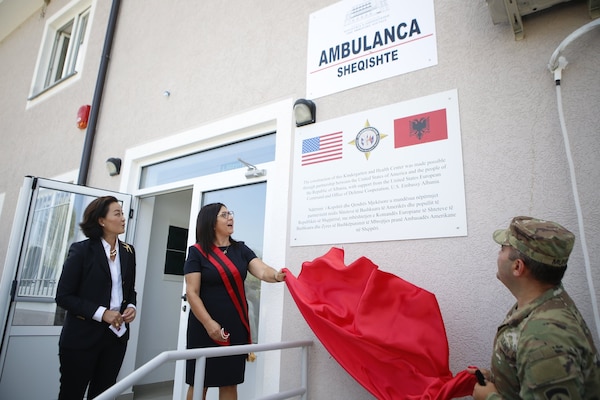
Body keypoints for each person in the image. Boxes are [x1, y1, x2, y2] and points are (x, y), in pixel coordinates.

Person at [471, 216, 600, 399]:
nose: (498, 255)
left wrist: (490, 398)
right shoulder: (543, 303)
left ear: (517, 266)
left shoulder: (543, 337)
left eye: (502, 248)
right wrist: (499, 378)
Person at [184, 202, 285, 400]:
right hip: (204, 327)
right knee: (199, 382)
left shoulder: (241, 249)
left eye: (230, 213)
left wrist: (277, 275)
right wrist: (209, 323)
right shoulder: (196, 252)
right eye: (224, 215)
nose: (230, 217)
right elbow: (192, 292)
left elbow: (262, 270)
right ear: (211, 223)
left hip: (234, 325)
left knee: (229, 382)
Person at [55, 196, 137, 399]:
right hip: (81, 339)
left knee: (104, 394)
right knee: (71, 393)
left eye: (122, 213)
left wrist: (132, 306)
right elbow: (63, 296)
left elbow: (129, 290)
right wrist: (102, 313)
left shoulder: (128, 251)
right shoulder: (82, 250)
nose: (123, 218)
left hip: (116, 338)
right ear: (101, 220)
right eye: (117, 214)